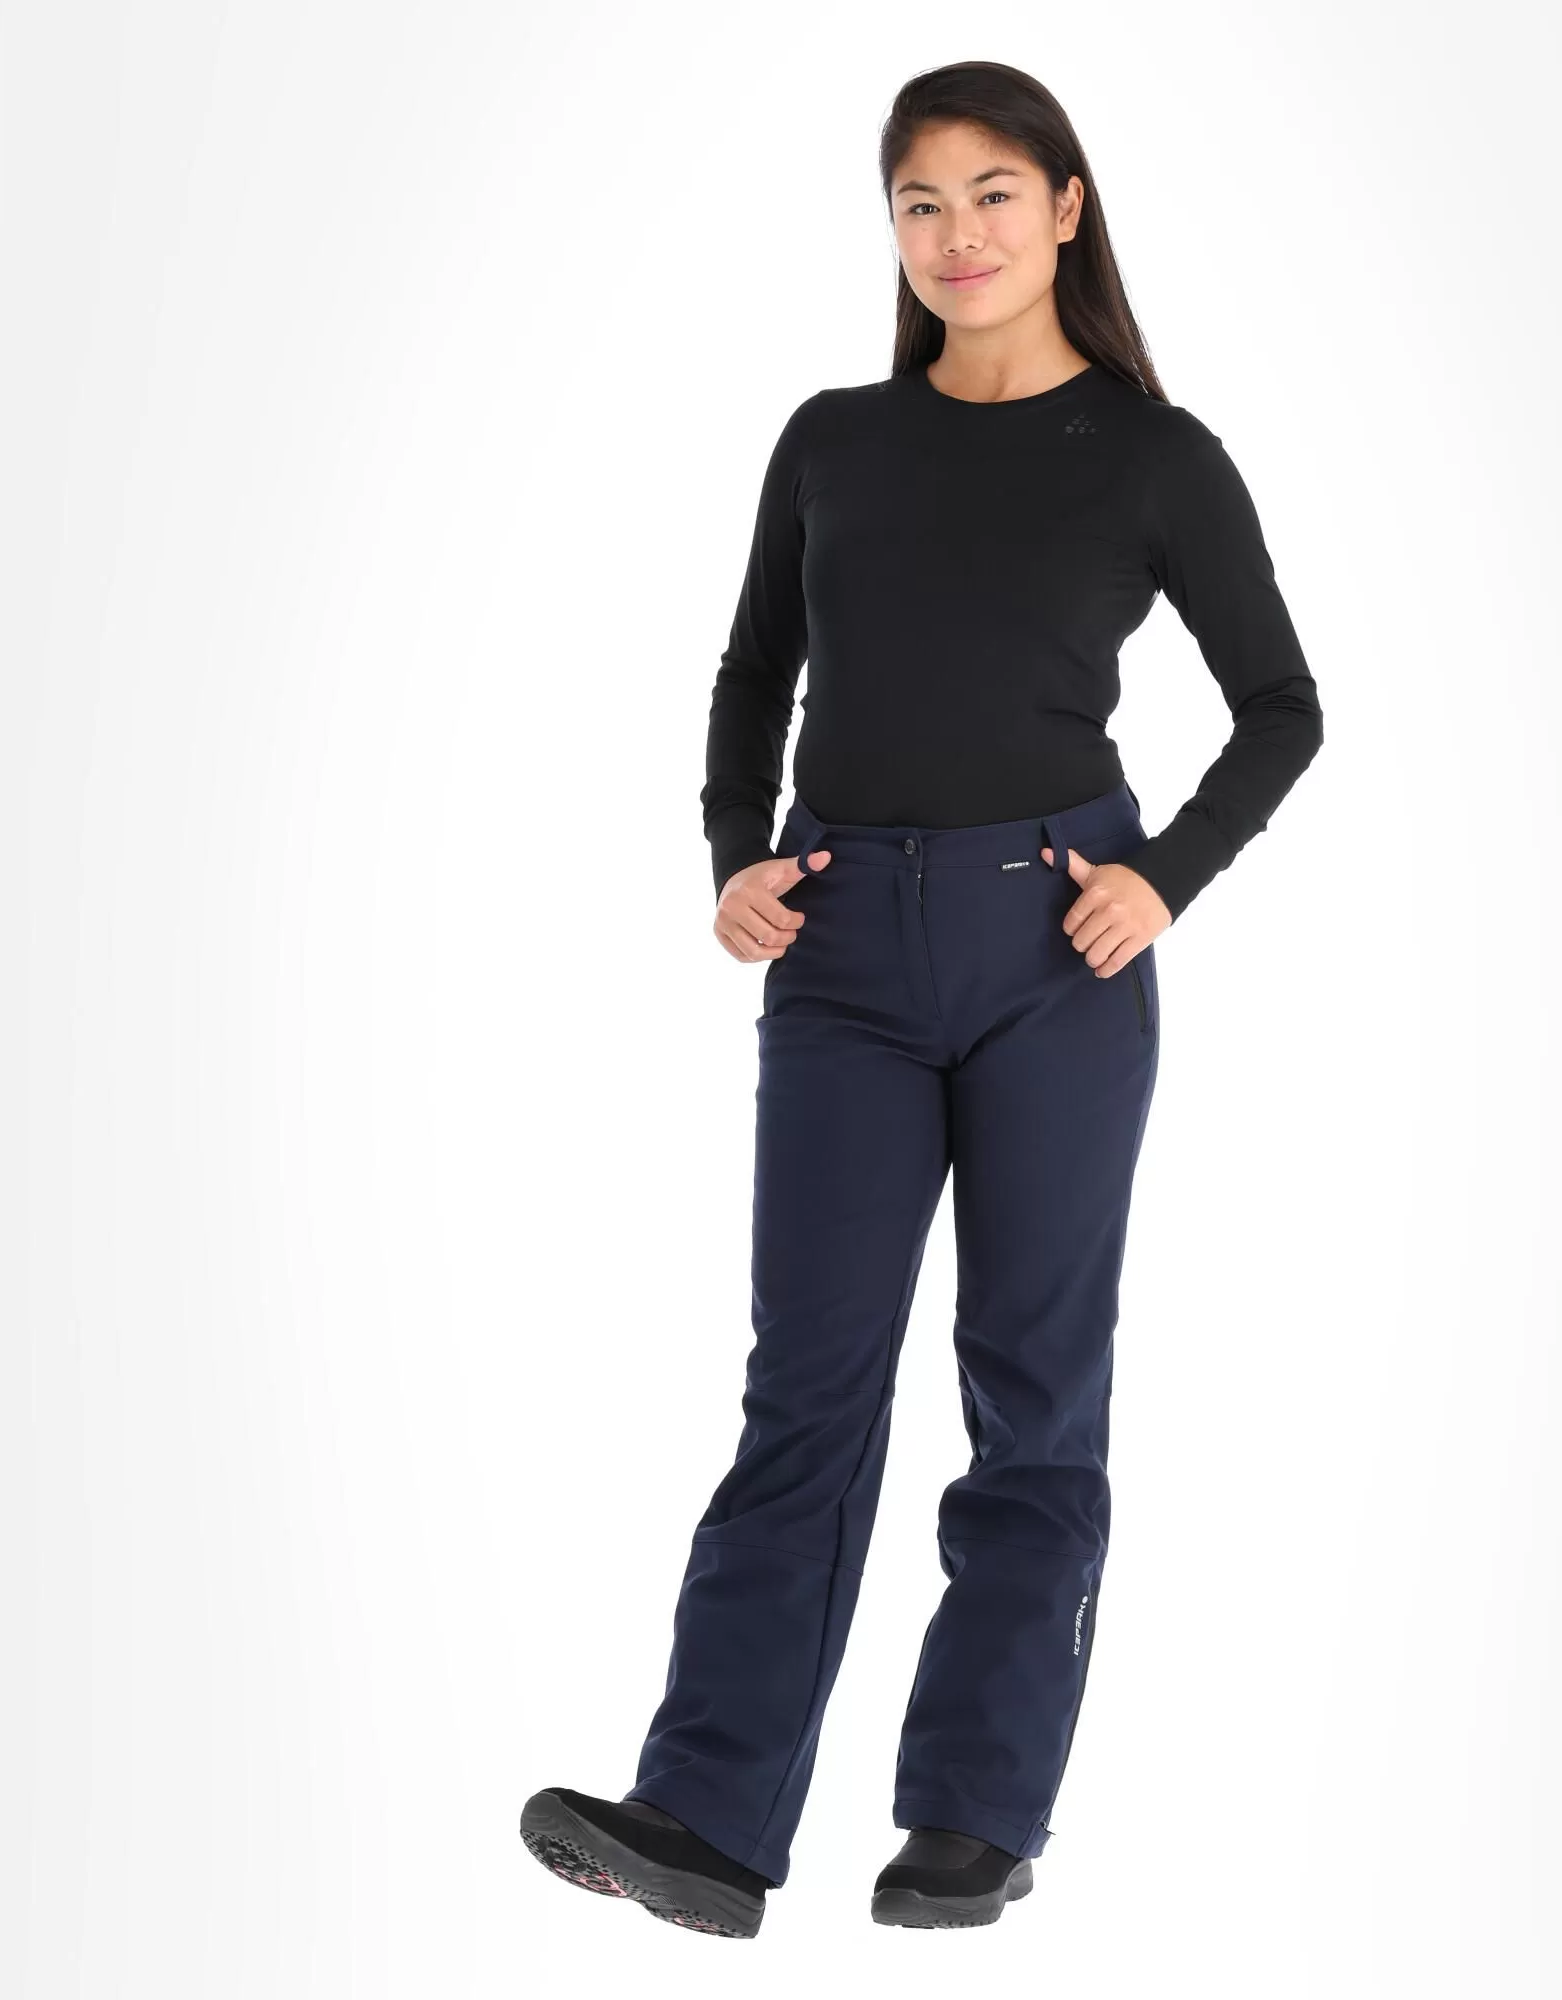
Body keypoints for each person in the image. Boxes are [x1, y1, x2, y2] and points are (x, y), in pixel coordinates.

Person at [520, 60, 1323, 1939]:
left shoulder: (1153, 456)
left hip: (1057, 952)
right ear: (892, 228)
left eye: (991, 195)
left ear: (1065, 207)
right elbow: (753, 672)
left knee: (1031, 1389)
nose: (956, 236)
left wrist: (1164, 877)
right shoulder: (835, 442)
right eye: (918, 203)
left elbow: (1284, 707)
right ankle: (705, 1819)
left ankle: (973, 1815)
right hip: (844, 960)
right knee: (806, 1386)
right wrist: (735, 852)